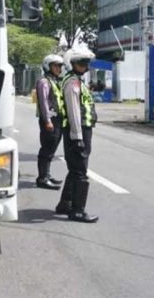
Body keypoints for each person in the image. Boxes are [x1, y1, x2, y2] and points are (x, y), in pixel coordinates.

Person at [55, 48, 99, 223]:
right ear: (71, 64)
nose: (85, 66)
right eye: (82, 63)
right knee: (80, 172)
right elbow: (74, 112)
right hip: (78, 132)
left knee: (74, 170)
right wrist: (78, 137)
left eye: (86, 63)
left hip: (79, 132)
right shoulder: (72, 83)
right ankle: (78, 210)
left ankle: (65, 204)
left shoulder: (77, 81)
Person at [35, 54, 65, 190]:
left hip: (57, 120)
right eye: (56, 66)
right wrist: (47, 121)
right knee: (47, 149)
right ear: (48, 66)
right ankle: (42, 178)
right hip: (50, 120)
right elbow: (43, 103)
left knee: (51, 150)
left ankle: (46, 175)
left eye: (60, 66)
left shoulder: (54, 81)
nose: (59, 68)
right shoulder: (44, 82)